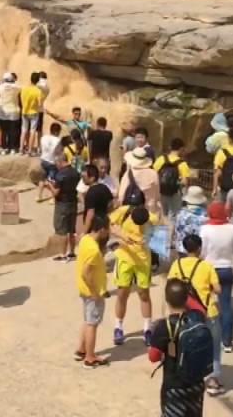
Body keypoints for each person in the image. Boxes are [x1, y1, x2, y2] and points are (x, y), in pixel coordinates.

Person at [169, 234, 225, 395]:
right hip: (207, 311)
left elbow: (170, 286)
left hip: (185, 313)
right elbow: (218, 289)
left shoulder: (176, 265)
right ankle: (213, 381)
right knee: (214, 346)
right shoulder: (206, 266)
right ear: (199, 248)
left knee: (186, 345)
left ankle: (187, 377)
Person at [147, 280, 210, 417]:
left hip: (174, 385)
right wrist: (186, 293)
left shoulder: (164, 326)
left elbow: (153, 357)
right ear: (187, 298)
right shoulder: (197, 317)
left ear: (167, 300)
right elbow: (201, 308)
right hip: (196, 383)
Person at [110, 203, 157, 345]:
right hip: (125, 258)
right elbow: (109, 224)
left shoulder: (151, 219)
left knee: (144, 294)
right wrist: (122, 236)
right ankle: (118, 327)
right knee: (122, 294)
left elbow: (160, 233)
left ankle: (147, 328)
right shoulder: (124, 211)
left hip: (143, 261)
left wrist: (149, 239)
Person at [199, 201, 233, 353]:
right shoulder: (232, 228)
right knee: (226, 307)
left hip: (208, 269)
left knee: (204, 304)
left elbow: (201, 252)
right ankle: (227, 342)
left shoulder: (204, 229)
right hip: (227, 269)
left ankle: (204, 337)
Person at [75, 215, 111, 369]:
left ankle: (81, 350)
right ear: (102, 229)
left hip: (83, 289)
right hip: (92, 292)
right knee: (92, 324)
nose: (109, 231)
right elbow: (86, 272)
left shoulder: (85, 240)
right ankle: (90, 357)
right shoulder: (94, 250)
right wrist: (95, 293)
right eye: (108, 228)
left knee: (87, 320)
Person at [50, 153, 80, 261]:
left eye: (56, 163)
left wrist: (49, 185)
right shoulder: (75, 172)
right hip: (73, 202)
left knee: (62, 230)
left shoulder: (60, 174)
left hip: (62, 204)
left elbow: (56, 193)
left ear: (60, 161)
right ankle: (72, 252)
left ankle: (62, 254)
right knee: (71, 229)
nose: (56, 165)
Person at [154, 138, 190, 223]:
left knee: (162, 214)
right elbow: (184, 182)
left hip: (161, 191)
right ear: (181, 149)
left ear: (170, 147)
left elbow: (154, 174)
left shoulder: (161, 159)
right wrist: (175, 182)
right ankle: (171, 230)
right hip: (175, 193)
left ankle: (161, 229)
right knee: (173, 216)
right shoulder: (182, 164)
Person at [173, 187, 209, 256]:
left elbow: (177, 229)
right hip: (197, 250)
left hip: (182, 247)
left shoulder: (181, 212)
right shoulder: (205, 215)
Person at [0, 73, 21, 154]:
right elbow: (20, 89)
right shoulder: (16, 87)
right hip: (13, 111)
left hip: (3, 112)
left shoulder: (0, 87)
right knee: (12, 131)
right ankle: (12, 148)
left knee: (4, 131)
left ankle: (4, 148)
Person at [19, 72, 44, 155]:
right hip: (34, 112)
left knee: (24, 130)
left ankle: (21, 149)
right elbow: (40, 104)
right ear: (38, 81)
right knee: (32, 131)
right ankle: (30, 150)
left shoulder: (24, 89)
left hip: (24, 111)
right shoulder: (38, 91)